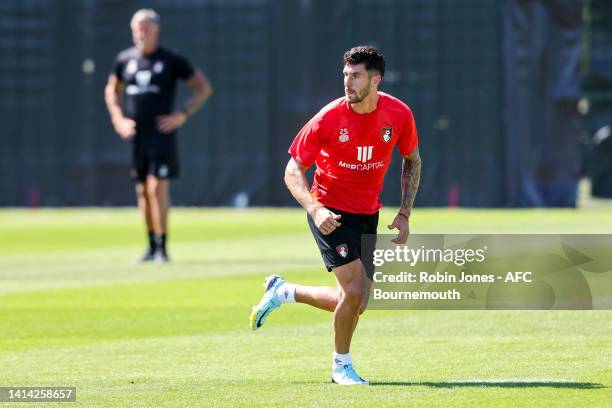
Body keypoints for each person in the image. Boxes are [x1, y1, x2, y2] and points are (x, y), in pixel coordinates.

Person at [249, 45, 422, 385]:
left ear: (376, 80)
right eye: (345, 75)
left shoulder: (399, 114)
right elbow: (291, 169)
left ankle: (284, 291)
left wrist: (404, 212)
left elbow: (412, 160)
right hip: (331, 211)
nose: (347, 82)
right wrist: (315, 208)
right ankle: (341, 367)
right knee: (354, 292)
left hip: (367, 212)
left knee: (357, 302)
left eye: (355, 76)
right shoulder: (328, 118)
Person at [104, 9, 213, 263]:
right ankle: (150, 246)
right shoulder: (125, 59)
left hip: (161, 134)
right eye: (137, 28)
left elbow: (203, 87)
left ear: (156, 30)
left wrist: (182, 114)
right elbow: (111, 89)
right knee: (142, 190)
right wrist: (118, 118)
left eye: (145, 27)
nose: (140, 33)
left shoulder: (170, 60)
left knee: (156, 187)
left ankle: (163, 247)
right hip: (137, 136)